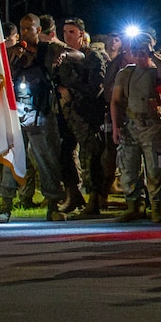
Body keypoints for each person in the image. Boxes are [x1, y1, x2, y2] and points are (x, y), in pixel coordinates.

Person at [0, 14, 69, 221]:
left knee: (47, 160)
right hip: (16, 112)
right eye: (22, 28)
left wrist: (52, 46)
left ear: (39, 30)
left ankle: (53, 205)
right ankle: (5, 205)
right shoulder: (14, 53)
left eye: (30, 28)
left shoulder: (49, 50)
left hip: (41, 113)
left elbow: (75, 55)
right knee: (10, 158)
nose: (25, 32)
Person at [110, 33, 161, 221]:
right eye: (135, 52)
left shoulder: (156, 71)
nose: (139, 56)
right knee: (128, 169)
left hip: (153, 127)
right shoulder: (125, 73)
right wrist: (116, 126)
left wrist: (152, 55)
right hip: (130, 126)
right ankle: (133, 205)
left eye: (143, 52)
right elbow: (115, 101)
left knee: (155, 169)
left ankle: (157, 204)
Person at [52, 20, 111, 218]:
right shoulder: (63, 56)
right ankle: (73, 195)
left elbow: (96, 86)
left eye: (72, 32)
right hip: (67, 114)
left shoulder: (92, 56)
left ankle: (94, 201)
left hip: (87, 113)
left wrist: (72, 90)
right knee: (64, 154)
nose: (67, 35)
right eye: (64, 31)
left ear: (81, 34)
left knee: (91, 156)